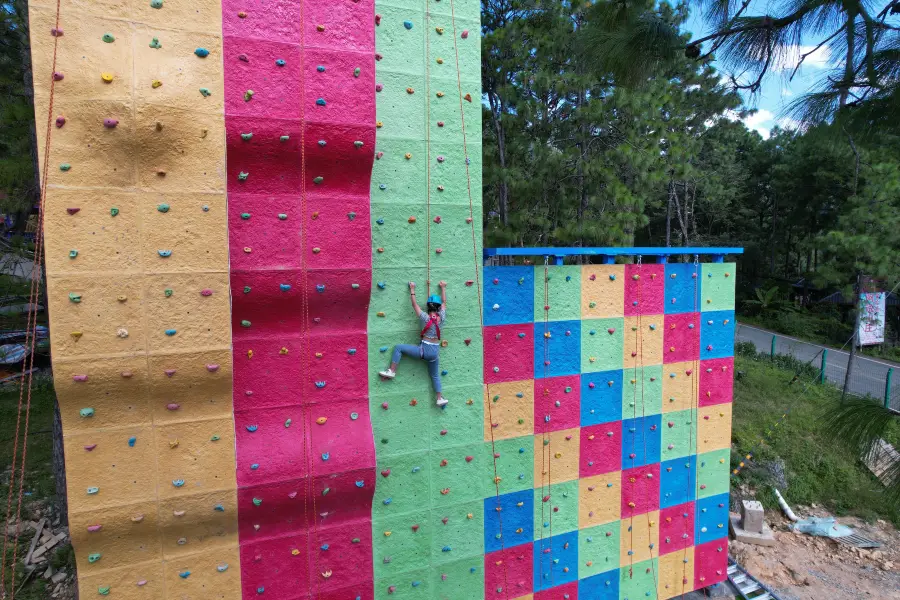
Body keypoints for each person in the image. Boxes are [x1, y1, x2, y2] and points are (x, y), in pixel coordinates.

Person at [379, 280, 448, 407]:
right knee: (434, 375)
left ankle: (392, 371)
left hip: (423, 351)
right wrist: (443, 287)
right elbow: (444, 302)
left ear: (428, 307)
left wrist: (412, 289)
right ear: (438, 308)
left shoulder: (424, 317)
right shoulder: (442, 317)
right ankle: (439, 398)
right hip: (435, 353)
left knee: (399, 348)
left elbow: (414, 304)